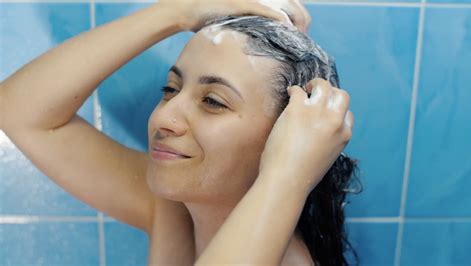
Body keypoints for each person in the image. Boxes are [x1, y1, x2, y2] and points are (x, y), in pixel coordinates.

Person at [0, 1, 360, 265]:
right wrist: (178, 12)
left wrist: (288, 174)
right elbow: (21, 111)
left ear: (285, 137)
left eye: (213, 102)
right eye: (171, 89)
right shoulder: (175, 211)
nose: (164, 116)